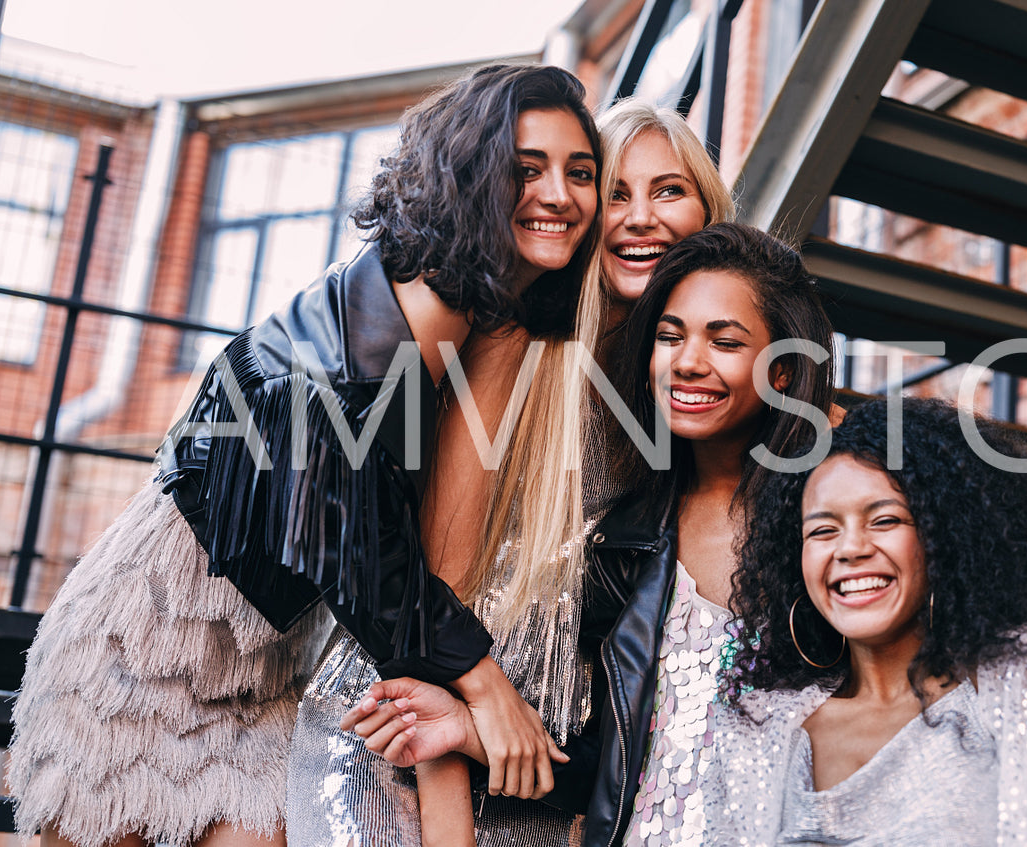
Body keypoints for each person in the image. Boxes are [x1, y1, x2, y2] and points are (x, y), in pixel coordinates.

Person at [6, 62, 599, 847]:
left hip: (259, 679)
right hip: (143, 658)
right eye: (527, 169)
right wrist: (487, 686)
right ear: (472, 174)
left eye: (579, 171)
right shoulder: (402, 313)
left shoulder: (458, 309)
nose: (559, 194)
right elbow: (351, 542)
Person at [293, 98, 735, 846]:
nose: (639, 218)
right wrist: (448, 823)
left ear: (707, 213)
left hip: (532, 752)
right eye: (617, 193)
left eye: (669, 190)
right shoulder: (517, 345)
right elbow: (440, 589)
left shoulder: (684, 392)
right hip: (403, 724)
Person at [343, 222, 837, 847]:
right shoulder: (627, 542)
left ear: (786, 371)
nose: (688, 362)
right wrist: (466, 732)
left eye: (726, 342)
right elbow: (616, 769)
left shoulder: (835, 522)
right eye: (669, 336)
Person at [707, 397, 1027, 846]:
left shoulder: (1025, 677)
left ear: (948, 536)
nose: (849, 549)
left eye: (884, 519)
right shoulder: (760, 729)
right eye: (823, 530)